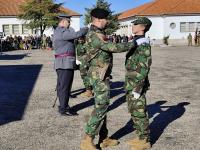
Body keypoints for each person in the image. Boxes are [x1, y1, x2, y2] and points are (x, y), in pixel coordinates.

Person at [80, 8, 134, 150]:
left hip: (102, 75)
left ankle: (103, 138)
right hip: (98, 76)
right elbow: (112, 47)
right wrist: (134, 43)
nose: (107, 21)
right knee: (101, 107)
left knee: (102, 107)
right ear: (98, 19)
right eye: (105, 19)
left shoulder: (98, 33)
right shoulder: (94, 35)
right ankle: (87, 140)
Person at [124, 17, 152, 150]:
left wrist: (138, 88)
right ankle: (139, 136)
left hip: (136, 84)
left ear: (143, 27)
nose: (133, 26)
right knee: (133, 110)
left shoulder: (143, 44)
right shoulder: (135, 41)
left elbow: (144, 67)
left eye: (135, 24)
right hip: (130, 82)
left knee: (140, 111)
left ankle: (145, 140)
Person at [53, 14, 88, 116]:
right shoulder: (62, 31)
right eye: (69, 22)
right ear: (63, 21)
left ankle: (63, 105)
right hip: (65, 63)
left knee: (62, 86)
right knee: (65, 87)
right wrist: (86, 28)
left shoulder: (59, 31)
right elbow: (76, 34)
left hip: (64, 62)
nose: (69, 24)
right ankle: (64, 108)